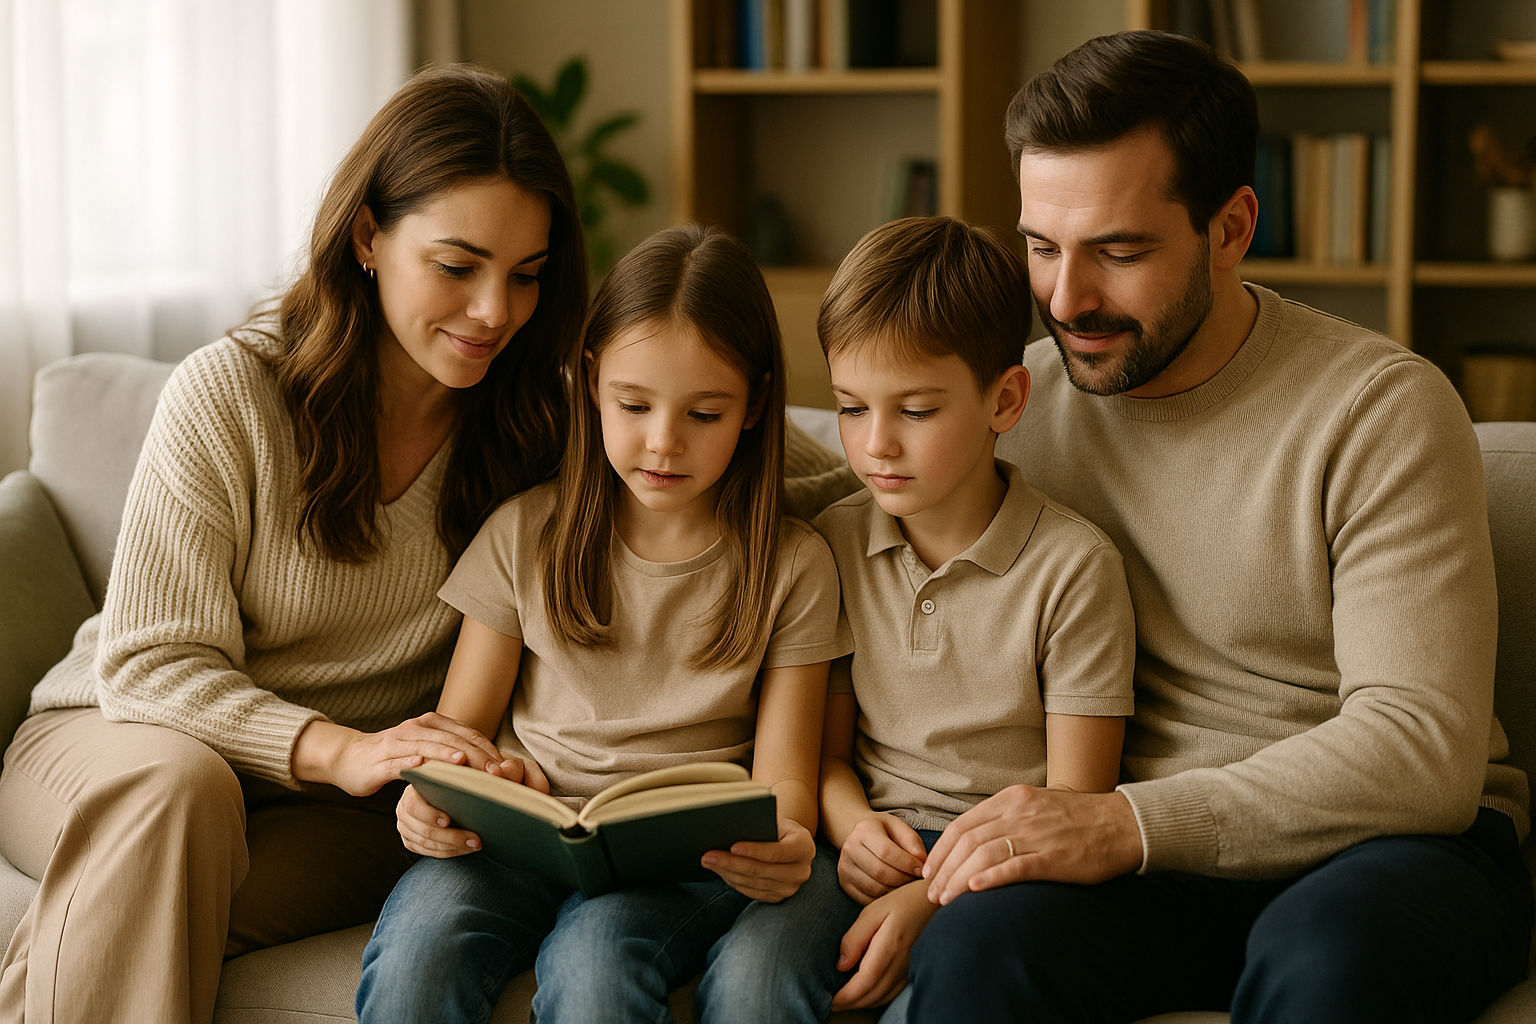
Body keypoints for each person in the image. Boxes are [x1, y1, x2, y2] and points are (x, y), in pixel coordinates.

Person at [904, 30, 1534, 1024]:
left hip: (1387, 852)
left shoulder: (1379, 410)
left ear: (1231, 226)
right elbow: (837, 489)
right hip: (1145, 864)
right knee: (980, 949)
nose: (1068, 300)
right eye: (1040, 246)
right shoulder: (1012, 407)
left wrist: (1123, 822)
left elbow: (1422, 748)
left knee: (1325, 958)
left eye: (1118, 251)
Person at [0, 65, 589, 1024]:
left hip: (338, 817)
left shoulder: (538, 426)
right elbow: (148, 664)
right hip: (119, 745)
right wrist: (335, 748)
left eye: (527, 276)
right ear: (368, 236)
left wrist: (897, 456)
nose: (495, 311)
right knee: (177, 791)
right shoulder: (232, 393)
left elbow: (772, 461)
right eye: (457, 265)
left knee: (128, 914)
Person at [353, 223, 850, 1024]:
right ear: (590, 384)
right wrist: (429, 800)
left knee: (594, 971)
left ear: (756, 404)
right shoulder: (523, 535)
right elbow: (458, 732)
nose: (663, 441)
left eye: (704, 413)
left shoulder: (792, 564)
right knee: (415, 957)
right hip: (515, 843)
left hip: (680, 861)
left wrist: (787, 837)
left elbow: (786, 775)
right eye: (633, 403)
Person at [704, 215, 1138, 1023]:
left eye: (915, 411)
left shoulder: (1075, 570)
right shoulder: (829, 544)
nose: (876, 446)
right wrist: (856, 826)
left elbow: (1076, 806)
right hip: (858, 846)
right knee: (751, 979)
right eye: (850, 408)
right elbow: (826, 755)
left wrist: (928, 903)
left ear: (1004, 399)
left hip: (1000, 873)